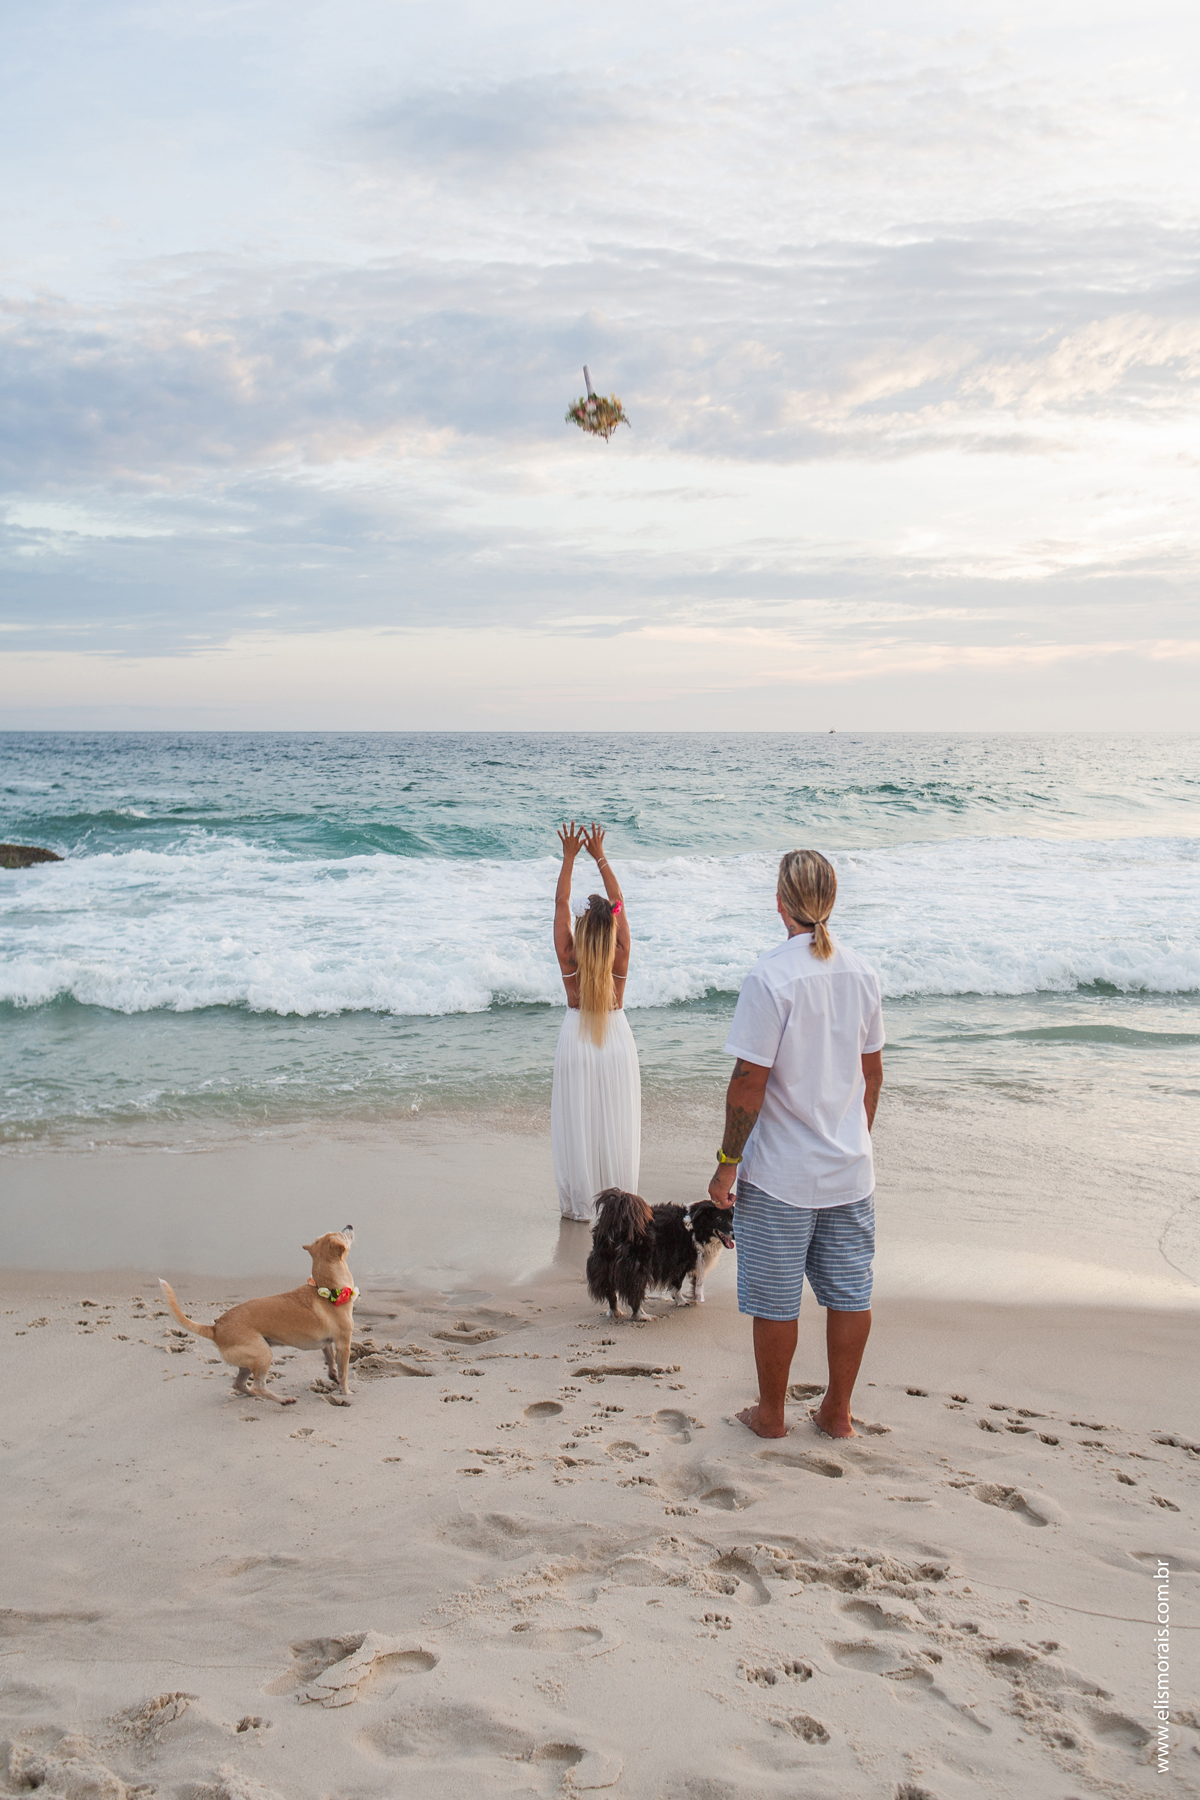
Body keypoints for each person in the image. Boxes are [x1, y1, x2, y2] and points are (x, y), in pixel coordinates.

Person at [707, 849, 883, 1440]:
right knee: (849, 1294)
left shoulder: (770, 976)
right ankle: (837, 1413)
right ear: (831, 901)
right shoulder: (862, 972)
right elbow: (872, 1075)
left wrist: (727, 1165)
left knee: (775, 1300)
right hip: (849, 1169)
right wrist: (852, 1138)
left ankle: (772, 1415)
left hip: (781, 1174)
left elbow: (748, 1082)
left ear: (780, 902)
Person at [550, 821, 641, 1221]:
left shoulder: (569, 954)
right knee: (614, 1121)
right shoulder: (620, 951)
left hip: (577, 1037)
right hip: (615, 1038)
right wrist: (599, 856)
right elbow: (618, 900)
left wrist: (568, 857)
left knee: (579, 1122)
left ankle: (580, 1205)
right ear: (611, 927)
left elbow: (561, 903)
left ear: (582, 927)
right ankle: (619, 1205)